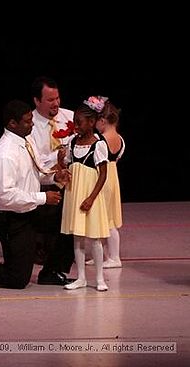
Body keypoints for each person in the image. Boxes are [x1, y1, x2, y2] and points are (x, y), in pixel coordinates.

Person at [0, 100, 70, 289]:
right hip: (10, 219)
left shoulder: (25, 140)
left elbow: (32, 175)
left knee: (69, 221)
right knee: (18, 279)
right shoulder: (5, 154)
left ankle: (50, 271)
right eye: (26, 121)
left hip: (26, 211)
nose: (31, 124)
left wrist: (54, 177)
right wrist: (43, 198)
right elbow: (5, 196)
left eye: (31, 119)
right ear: (12, 124)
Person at [60, 96, 110, 291]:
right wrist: (62, 162)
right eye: (75, 122)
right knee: (78, 237)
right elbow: (68, 166)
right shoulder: (72, 142)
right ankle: (80, 277)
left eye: (79, 123)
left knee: (95, 238)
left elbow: (103, 175)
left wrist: (91, 198)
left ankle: (99, 278)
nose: (76, 126)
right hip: (75, 194)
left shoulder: (98, 145)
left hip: (91, 196)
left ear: (91, 122)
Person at [29, 76, 75, 286]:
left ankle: (55, 268)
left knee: (67, 227)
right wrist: (56, 160)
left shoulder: (71, 118)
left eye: (57, 98)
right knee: (48, 228)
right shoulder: (28, 124)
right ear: (37, 101)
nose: (56, 103)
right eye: (50, 100)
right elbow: (34, 159)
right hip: (43, 181)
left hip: (69, 181)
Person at [86, 99, 125, 268]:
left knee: (107, 220)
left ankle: (114, 257)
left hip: (103, 177)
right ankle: (100, 254)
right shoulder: (120, 139)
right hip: (112, 177)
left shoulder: (100, 139)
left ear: (102, 121)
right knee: (104, 218)